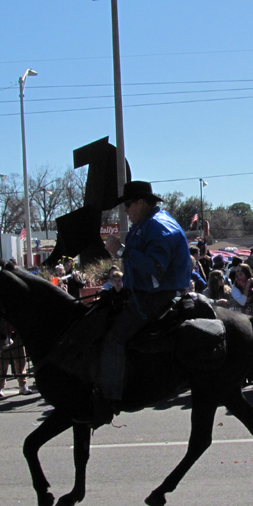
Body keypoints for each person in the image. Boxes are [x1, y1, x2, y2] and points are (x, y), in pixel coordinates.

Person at [98, 181, 191, 426]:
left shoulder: (159, 227)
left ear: (141, 202)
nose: (126, 210)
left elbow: (155, 269)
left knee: (115, 337)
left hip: (156, 298)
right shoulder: (144, 225)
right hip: (141, 294)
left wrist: (120, 252)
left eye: (128, 205)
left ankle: (110, 397)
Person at [0, 319, 32, 397]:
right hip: (0, 330)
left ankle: (22, 384)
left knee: (20, 358)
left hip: (15, 329)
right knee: (3, 360)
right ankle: (0, 386)